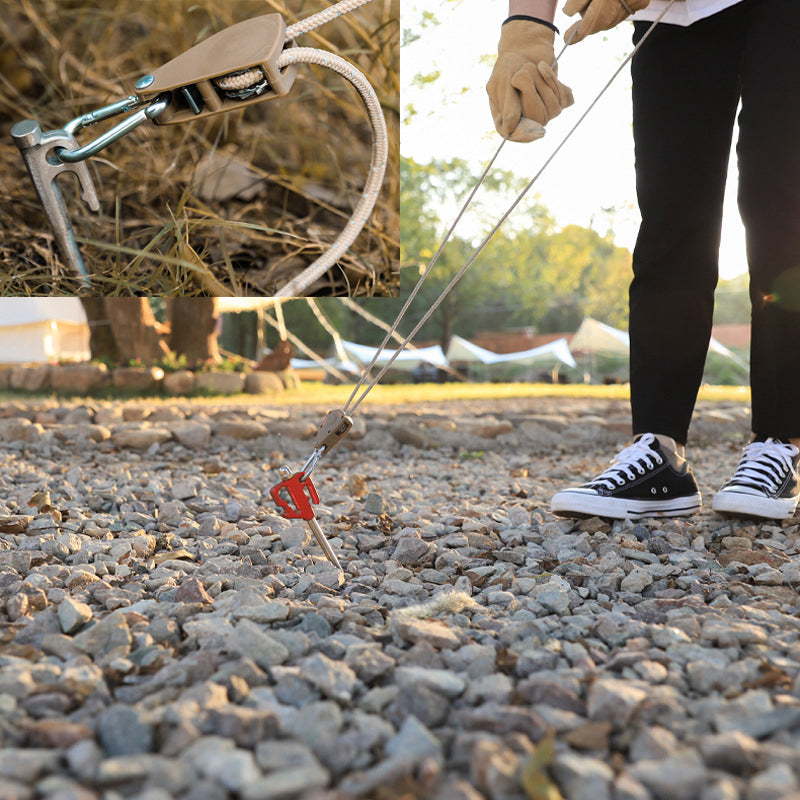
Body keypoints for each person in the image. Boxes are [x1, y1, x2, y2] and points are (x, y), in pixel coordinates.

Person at [487, 0, 800, 521]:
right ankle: (660, 453)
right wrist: (526, 28)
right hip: (677, 17)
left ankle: (780, 443)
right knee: (671, 216)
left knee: (780, 203)